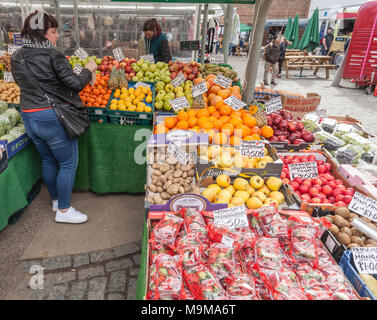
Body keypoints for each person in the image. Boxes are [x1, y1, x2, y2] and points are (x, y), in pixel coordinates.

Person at [10, 11, 97, 224]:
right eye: (53, 31)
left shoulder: (16, 56)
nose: (57, 36)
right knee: (68, 163)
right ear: (41, 32)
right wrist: (88, 69)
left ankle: (57, 201)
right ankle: (65, 211)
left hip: (29, 115)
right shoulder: (52, 55)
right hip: (51, 116)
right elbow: (75, 84)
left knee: (48, 159)